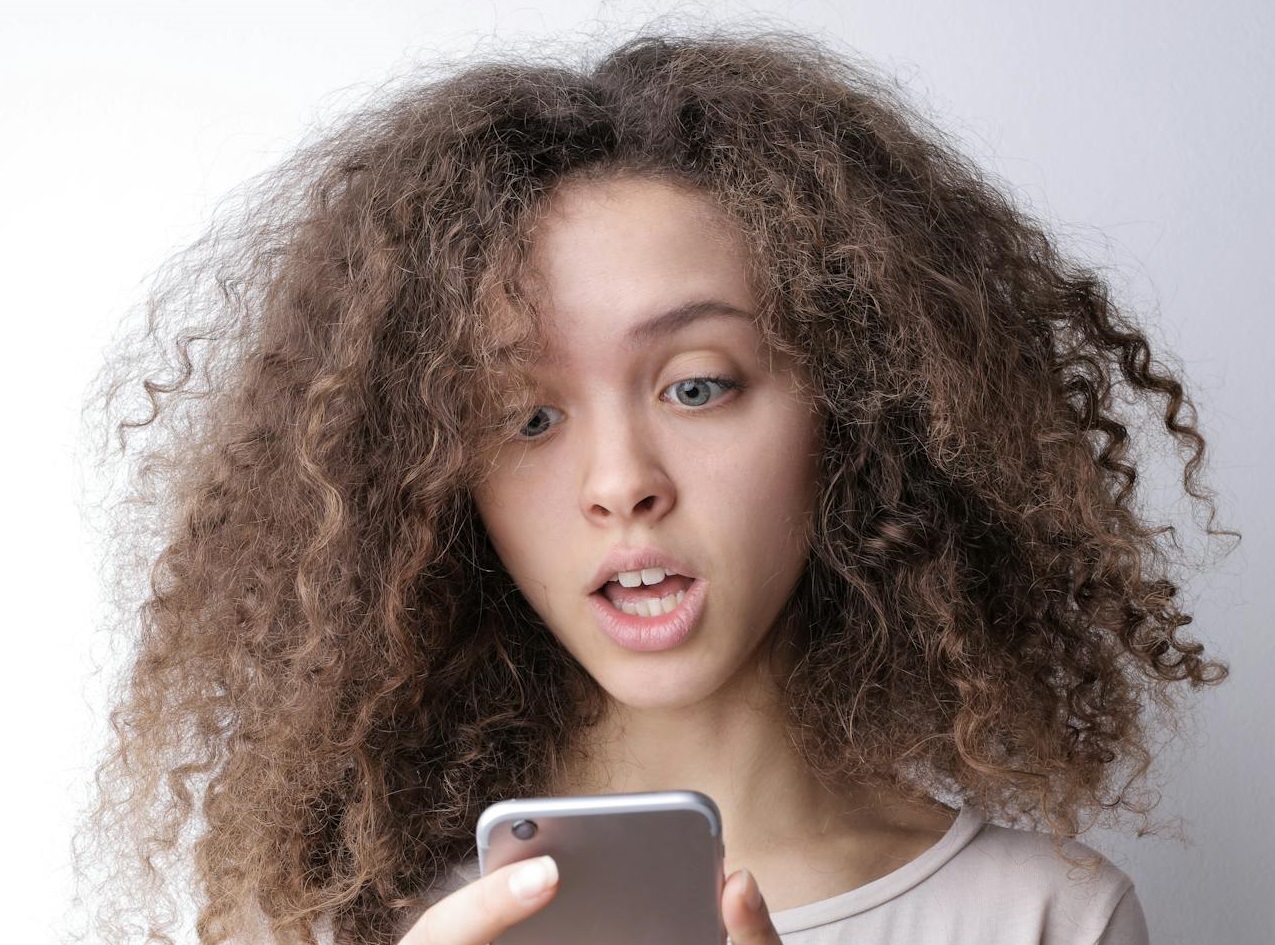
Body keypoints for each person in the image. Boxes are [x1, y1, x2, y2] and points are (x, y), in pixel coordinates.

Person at [83, 31, 1231, 945]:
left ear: (862, 413)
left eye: (696, 388)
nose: (621, 484)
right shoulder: (337, 927)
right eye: (526, 417)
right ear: (433, 487)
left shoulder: (1045, 920)